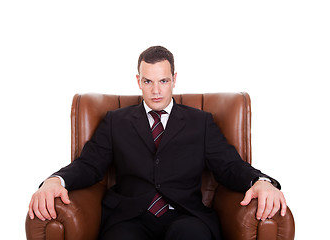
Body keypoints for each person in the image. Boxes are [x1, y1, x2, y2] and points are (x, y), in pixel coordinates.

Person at [28, 46, 287, 240]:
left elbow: (230, 166)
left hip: (185, 215)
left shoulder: (201, 122)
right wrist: (55, 180)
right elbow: (89, 165)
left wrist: (262, 182)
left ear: (174, 79)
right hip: (129, 217)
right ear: (138, 81)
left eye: (163, 81)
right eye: (148, 81)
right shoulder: (115, 121)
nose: (156, 91)